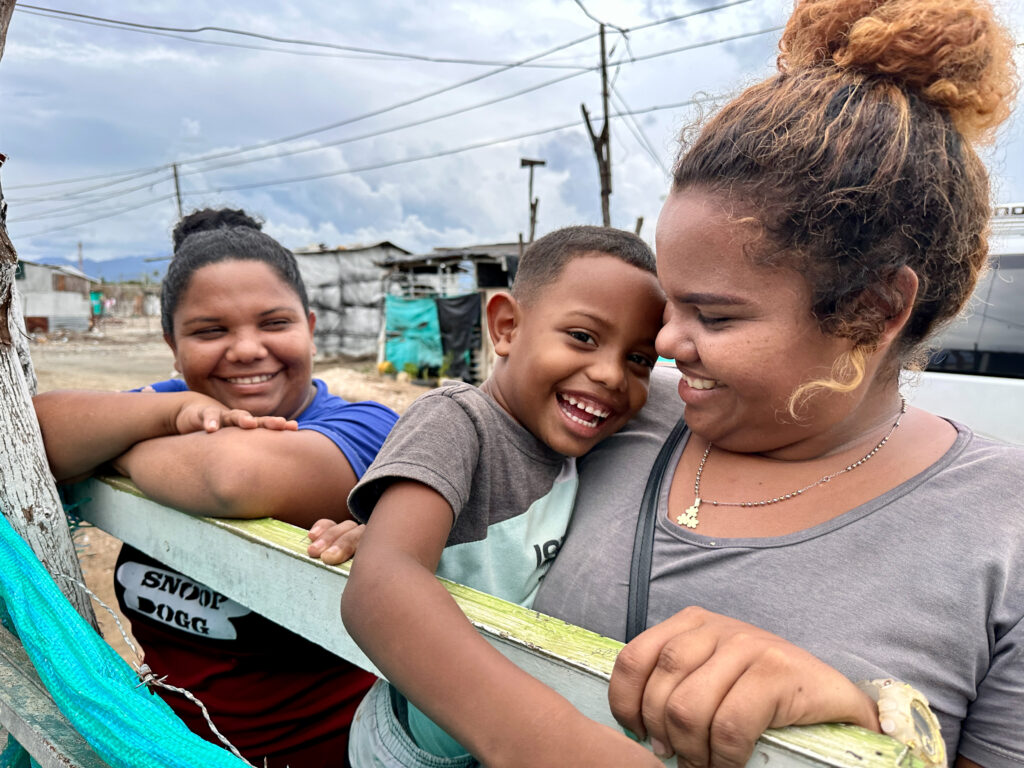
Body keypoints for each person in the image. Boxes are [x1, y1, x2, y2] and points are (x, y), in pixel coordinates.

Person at [528, 0, 1023, 765]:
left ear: (874, 309)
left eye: (715, 318)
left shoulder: (1006, 532)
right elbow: (451, 462)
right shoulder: (614, 415)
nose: (663, 343)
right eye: (669, 303)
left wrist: (860, 723)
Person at [34, 208, 400, 768]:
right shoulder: (167, 405)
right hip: (158, 746)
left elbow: (231, 477)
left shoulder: (366, 427)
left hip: (328, 753)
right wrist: (177, 409)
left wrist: (127, 440)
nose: (248, 349)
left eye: (275, 323)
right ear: (171, 344)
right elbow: (33, 430)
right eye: (210, 331)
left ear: (310, 325)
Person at [339, 226, 667, 767]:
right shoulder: (456, 421)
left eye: (639, 360)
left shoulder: (576, 449)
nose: (611, 375)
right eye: (583, 337)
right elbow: (380, 585)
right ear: (507, 326)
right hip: (424, 746)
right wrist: (550, 740)